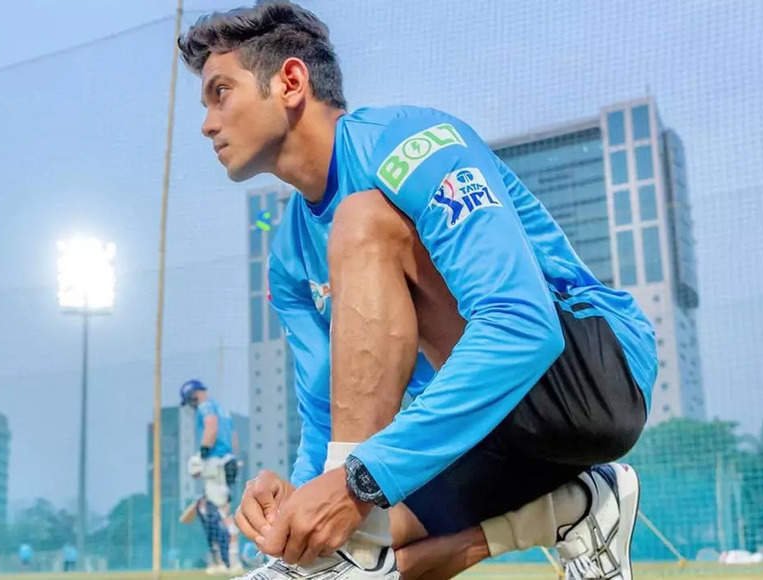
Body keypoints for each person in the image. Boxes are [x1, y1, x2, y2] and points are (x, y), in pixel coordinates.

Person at [179, 3, 656, 578]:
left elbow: (523, 325)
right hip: (478, 427)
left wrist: (354, 486)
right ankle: (581, 508)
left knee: (363, 220)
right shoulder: (287, 257)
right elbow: (325, 409)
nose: (207, 124)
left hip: (589, 382)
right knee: (386, 556)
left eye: (220, 93)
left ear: (291, 82)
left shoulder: (410, 144)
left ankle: (348, 551)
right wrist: (300, 509)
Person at [183, 379, 246, 573]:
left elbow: (211, 426)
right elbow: (234, 439)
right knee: (220, 509)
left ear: (193, 396)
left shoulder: (205, 407)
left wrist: (202, 456)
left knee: (217, 513)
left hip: (216, 463)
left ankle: (229, 562)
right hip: (228, 462)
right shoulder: (223, 410)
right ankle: (227, 560)